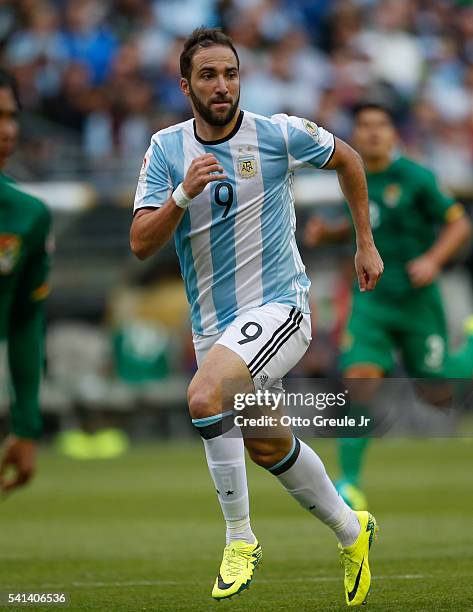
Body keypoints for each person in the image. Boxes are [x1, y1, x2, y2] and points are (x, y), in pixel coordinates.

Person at [130, 28, 383, 606]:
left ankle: (240, 538)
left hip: (280, 308)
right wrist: (180, 197)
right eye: (209, 76)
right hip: (213, 327)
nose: (222, 86)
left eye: (231, 73)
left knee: (203, 399)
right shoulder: (166, 151)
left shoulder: (277, 133)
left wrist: (363, 242)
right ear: (185, 85)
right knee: (265, 443)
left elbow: (349, 158)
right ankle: (352, 531)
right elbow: (141, 244)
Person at [304, 102, 472, 510]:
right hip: (372, 301)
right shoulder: (354, 177)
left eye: (382, 125)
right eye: (365, 126)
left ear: (394, 134)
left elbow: (459, 223)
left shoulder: (415, 177)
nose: (374, 133)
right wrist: (329, 234)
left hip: (417, 302)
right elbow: (364, 223)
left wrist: (433, 260)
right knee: (360, 381)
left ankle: (468, 345)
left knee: (438, 393)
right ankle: (349, 483)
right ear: (356, 135)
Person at [0, 69, 52, 493]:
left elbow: (24, 321)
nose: (7, 130)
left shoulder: (27, 214)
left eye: (11, 116)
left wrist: (26, 426)